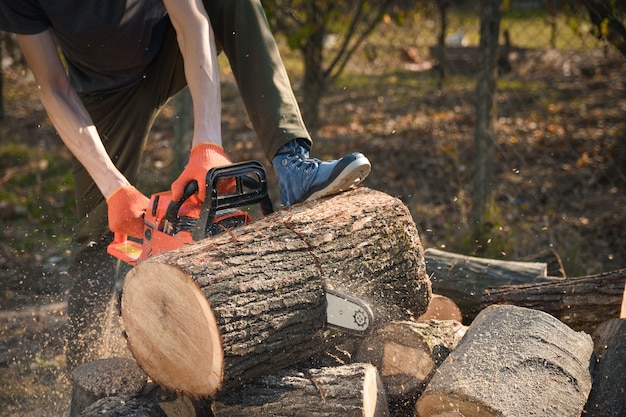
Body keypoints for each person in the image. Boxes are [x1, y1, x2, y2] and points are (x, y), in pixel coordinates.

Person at [0, 0, 371, 371]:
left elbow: (192, 19)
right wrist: (114, 187)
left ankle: (292, 165)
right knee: (98, 234)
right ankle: (86, 382)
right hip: (103, 94)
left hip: (169, 49)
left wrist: (207, 145)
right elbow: (53, 86)